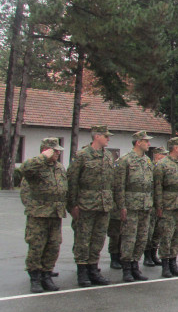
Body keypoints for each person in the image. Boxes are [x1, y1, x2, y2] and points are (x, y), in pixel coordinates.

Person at [67, 125, 114, 287]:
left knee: (98, 238)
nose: (108, 139)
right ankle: (82, 271)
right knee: (83, 239)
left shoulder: (108, 156)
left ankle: (93, 269)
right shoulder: (82, 156)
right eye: (106, 136)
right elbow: (72, 181)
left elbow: (111, 182)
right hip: (86, 204)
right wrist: (72, 205)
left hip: (104, 204)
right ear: (97, 136)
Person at [20, 138, 67, 293]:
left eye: (58, 150)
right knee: (37, 246)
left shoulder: (59, 168)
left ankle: (47, 275)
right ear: (46, 150)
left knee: (53, 245)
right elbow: (25, 169)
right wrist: (42, 157)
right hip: (39, 213)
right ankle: (35, 277)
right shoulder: (36, 166)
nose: (58, 153)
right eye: (54, 150)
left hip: (55, 213)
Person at [113, 130, 154, 282]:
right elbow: (119, 186)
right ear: (138, 142)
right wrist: (121, 206)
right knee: (129, 237)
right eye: (146, 141)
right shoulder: (125, 160)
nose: (149, 144)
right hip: (130, 205)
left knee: (142, 238)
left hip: (145, 205)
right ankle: (126, 268)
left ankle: (135, 265)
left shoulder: (147, 161)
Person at [154, 137, 178, 277]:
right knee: (166, 235)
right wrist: (158, 206)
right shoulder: (162, 165)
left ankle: (173, 262)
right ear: (175, 148)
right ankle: (165, 265)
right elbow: (157, 188)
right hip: (168, 206)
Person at [144, 147, 168, 266]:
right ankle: (147, 255)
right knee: (149, 230)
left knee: (158, 231)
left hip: (160, 202)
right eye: (163, 155)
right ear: (157, 155)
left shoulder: (163, 167)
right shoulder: (151, 167)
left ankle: (154, 253)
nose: (165, 157)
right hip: (150, 203)